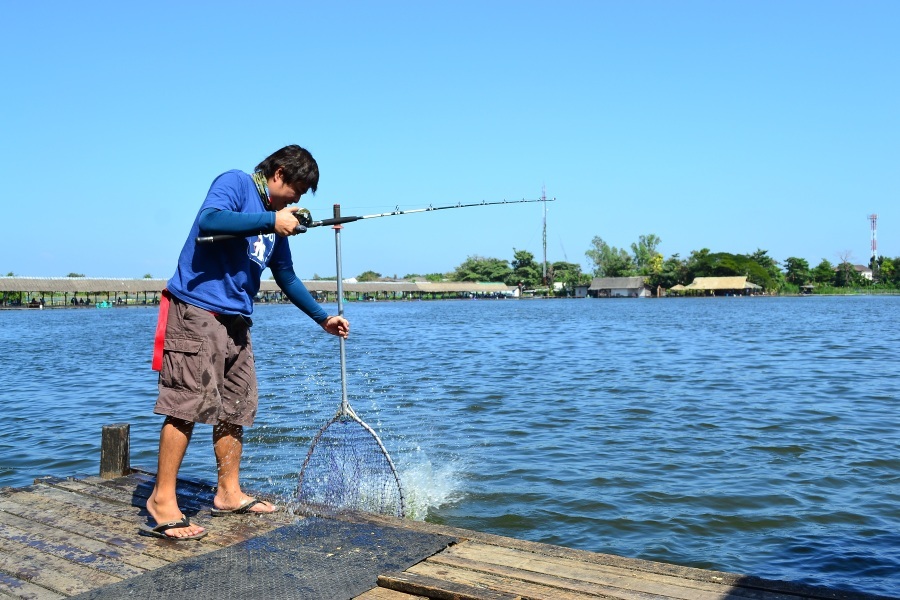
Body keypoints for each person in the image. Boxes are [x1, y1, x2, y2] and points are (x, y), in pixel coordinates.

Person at [145, 145, 349, 541]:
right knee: (186, 405)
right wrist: (272, 219)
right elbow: (209, 221)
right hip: (197, 309)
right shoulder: (236, 183)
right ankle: (162, 499)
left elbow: (286, 277)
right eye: (298, 190)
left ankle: (228, 492)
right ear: (277, 174)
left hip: (237, 319)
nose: (298, 200)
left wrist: (323, 318)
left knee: (237, 405)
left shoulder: (278, 224)